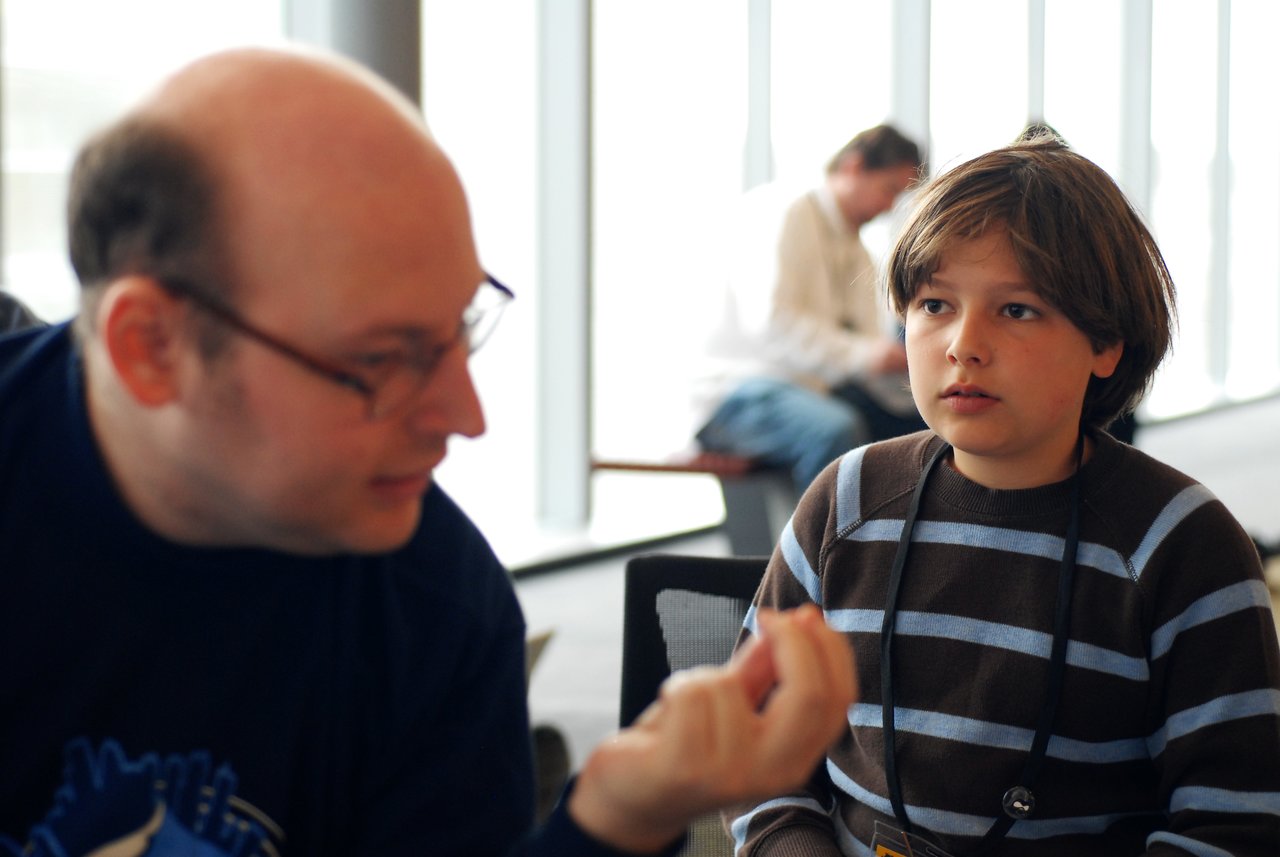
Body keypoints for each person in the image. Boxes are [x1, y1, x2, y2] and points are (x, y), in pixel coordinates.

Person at [0, 46, 858, 857]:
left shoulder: (434, 604)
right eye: (381, 359)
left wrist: (613, 822)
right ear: (150, 347)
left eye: (458, 330)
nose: (467, 414)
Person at [724, 136, 1280, 855]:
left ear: (1105, 342)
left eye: (1016, 310)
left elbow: (1234, 821)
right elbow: (755, 743)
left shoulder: (1178, 540)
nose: (963, 343)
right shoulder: (846, 500)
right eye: (934, 304)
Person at [694, 125, 926, 492]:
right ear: (853, 166)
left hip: (807, 388)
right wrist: (868, 355)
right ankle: (821, 549)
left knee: (919, 429)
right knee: (834, 430)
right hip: (738, 392)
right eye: (889, 189)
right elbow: (773, 326)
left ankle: (901, 544)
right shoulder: (784, 211)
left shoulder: (858, 252)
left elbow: (859, 347)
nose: (888, 207)